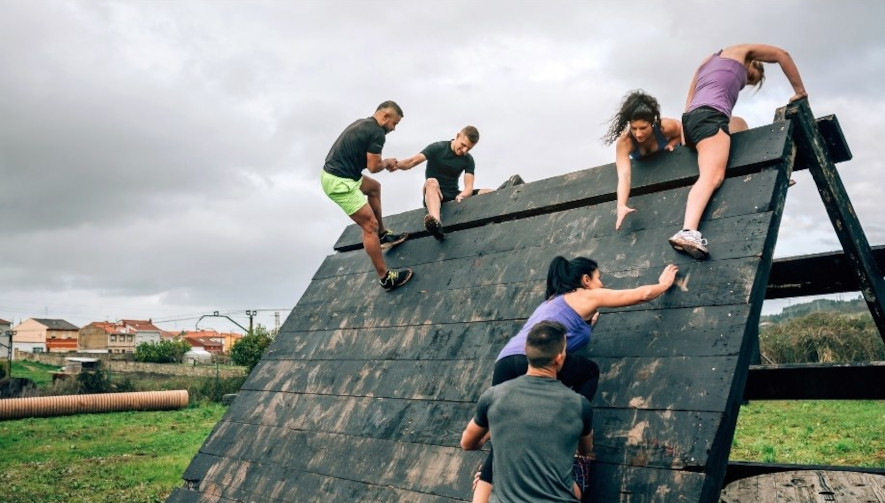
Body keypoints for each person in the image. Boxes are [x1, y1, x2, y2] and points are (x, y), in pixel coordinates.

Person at [472, 256, 679, 502]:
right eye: (599, 277)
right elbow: (640, 294)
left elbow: (560, 337)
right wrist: (664, 285)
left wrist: (586, 326)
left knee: (500, 443)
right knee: (589, 372)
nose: (602, 283)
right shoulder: (586, 295)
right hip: (527, 362)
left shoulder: (552, 302)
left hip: (506, 362)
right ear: (585, 280)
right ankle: (565, 418)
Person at [669, 44, 807, 260]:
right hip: (710, 116)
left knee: (740, 124)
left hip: (692, 119)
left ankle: (768, 169)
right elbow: (783, 54)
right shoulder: (744, 52)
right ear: (754, 65)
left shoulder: (708, 59)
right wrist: (800, 92)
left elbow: (690, 96)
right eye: (751, 78)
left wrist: (687, 134)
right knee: (712, 177)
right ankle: (687, 232)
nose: (747, 82)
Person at [461, 321, 595, 503]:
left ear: (525, 349)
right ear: (559, 358)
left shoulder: (493, 396)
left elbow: (467, 443)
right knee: (583, 461)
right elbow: (585, 450)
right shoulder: (580, 404)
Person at [321, 101, 414, 291]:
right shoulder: (377, 133)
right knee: (368, 225)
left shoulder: (362, 123)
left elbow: (365, 159)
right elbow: (373, 167)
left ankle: (382, 235)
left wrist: (381, 161)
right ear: (385, 116)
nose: (394, 129)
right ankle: (385, 278)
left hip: (342, 175)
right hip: (339, 183)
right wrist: (386, 162)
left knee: (374, 188)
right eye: (394, 124)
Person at [392, 126, 492, 240]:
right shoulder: (438, 148)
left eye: (468, 148)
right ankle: (436, 223)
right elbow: (411, 162)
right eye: (463, 145)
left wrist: (463, 195)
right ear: (458, 136)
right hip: (435, 194)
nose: (464, 150)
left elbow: (469, 187)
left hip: (454, 195)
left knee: (488, 191)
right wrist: (394, 164)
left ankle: (508, 187)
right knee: (431, 181)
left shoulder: (468, 159)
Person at [602, 90, 683, 230]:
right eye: (634, 128)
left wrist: (672, 143)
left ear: (652, 123)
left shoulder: (665, 127)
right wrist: (621, 205)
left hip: (677, 171)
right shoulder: (625, 142)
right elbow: (624, 176)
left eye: (643, 128)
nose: (638, 134)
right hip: (653, 185)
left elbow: (684, 130)